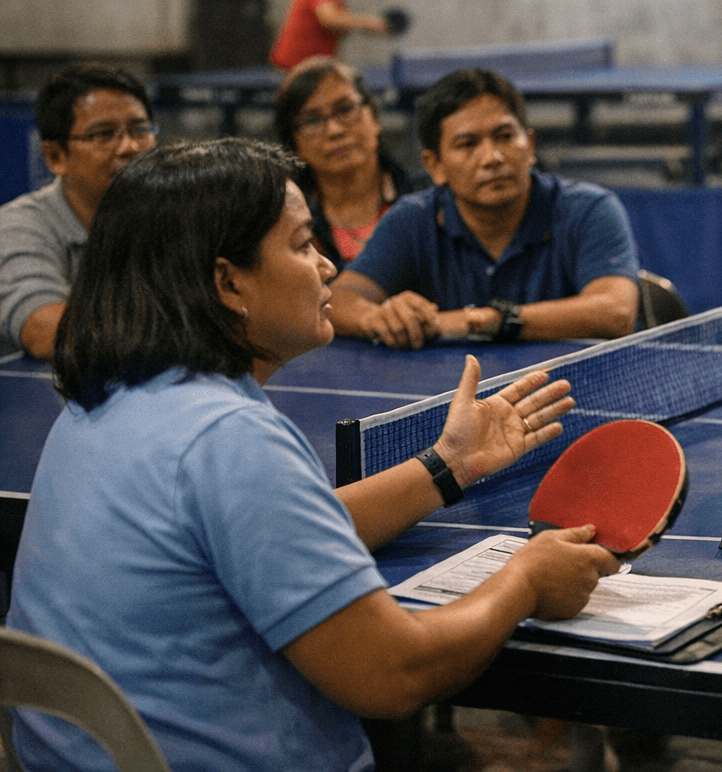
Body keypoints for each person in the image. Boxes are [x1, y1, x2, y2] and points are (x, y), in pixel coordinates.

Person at [5, 138, 619, 771]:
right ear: (227, 281)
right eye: (302, 245)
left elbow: (277, 533)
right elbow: (392, 673)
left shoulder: (100, 400)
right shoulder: (229, 439)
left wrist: (448, 465)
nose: (327, 266)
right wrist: (525, 579)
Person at [330, 69, 640, 348]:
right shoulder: (412, 219)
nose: (492, 157)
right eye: (468, 144)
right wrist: (378, 318)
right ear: (435, 166)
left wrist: (488, 321)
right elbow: (339, 301)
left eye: (505, 136)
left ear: (529, 146)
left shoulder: (588, 209)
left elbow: (616, 311)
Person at [0, 63, 156, 359]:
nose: (130, 147)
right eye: (103, 134)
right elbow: (45, 331)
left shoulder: (172, 215)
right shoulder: (18, 227)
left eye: (140, 129)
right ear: (56, 156)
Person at [274, 56, 424, 268]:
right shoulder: (286, 229)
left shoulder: (431, 203)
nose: (335, 130)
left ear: (374, 117)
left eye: (345, 109)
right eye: (312, 120)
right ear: (294, 145)